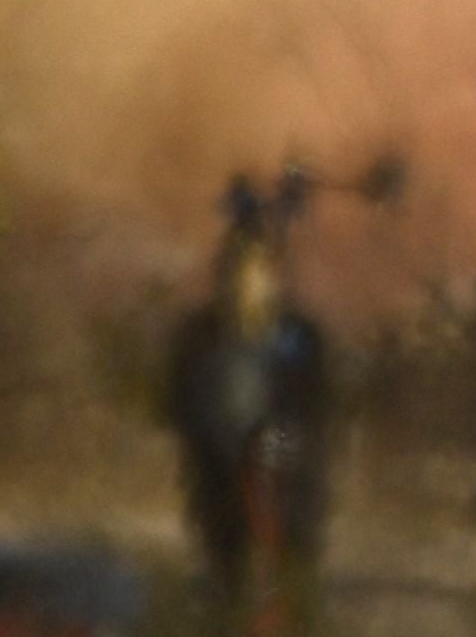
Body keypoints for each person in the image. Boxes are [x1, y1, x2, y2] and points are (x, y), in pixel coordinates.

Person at [165, 171, 337, 632]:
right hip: (220, 479)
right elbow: (181, 404)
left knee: (289, 579)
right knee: (228, 578)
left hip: (285, 481)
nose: (245, 277)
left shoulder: (299, 337)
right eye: (236, 265)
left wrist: (277, 450)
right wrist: (221, 449)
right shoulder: (199, 338)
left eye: (257, 266)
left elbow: (312, 407)